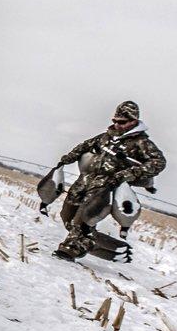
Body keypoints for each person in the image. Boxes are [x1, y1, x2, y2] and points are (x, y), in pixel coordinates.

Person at [52, 101, 166, 260]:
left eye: (122, 122)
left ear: (133, 121)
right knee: (67, 215)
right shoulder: (106, 136)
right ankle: (94, 243)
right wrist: (67, 159)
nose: (117, 124)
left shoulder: (141, 143)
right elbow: (85, 146)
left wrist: (128, 174)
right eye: (115, 121)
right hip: (85, 180)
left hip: (106, 186)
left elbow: (158, 163)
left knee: (83, 218)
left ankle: (69, 250)